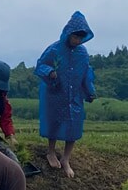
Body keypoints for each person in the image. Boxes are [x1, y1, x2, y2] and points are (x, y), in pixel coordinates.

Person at [36, 11, 95, 177]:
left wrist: (90, 91)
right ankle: (51, 152)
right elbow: (41, 65)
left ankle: (66, 159)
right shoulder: (54, 49)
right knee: (54, 122)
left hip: (74, 95)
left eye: (80, 38)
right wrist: (50, 72)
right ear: (69, 34)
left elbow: (86, 74)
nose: (77, 41)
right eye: (75, 37)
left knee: (74, 124)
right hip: (55, 93)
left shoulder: (82, 53)